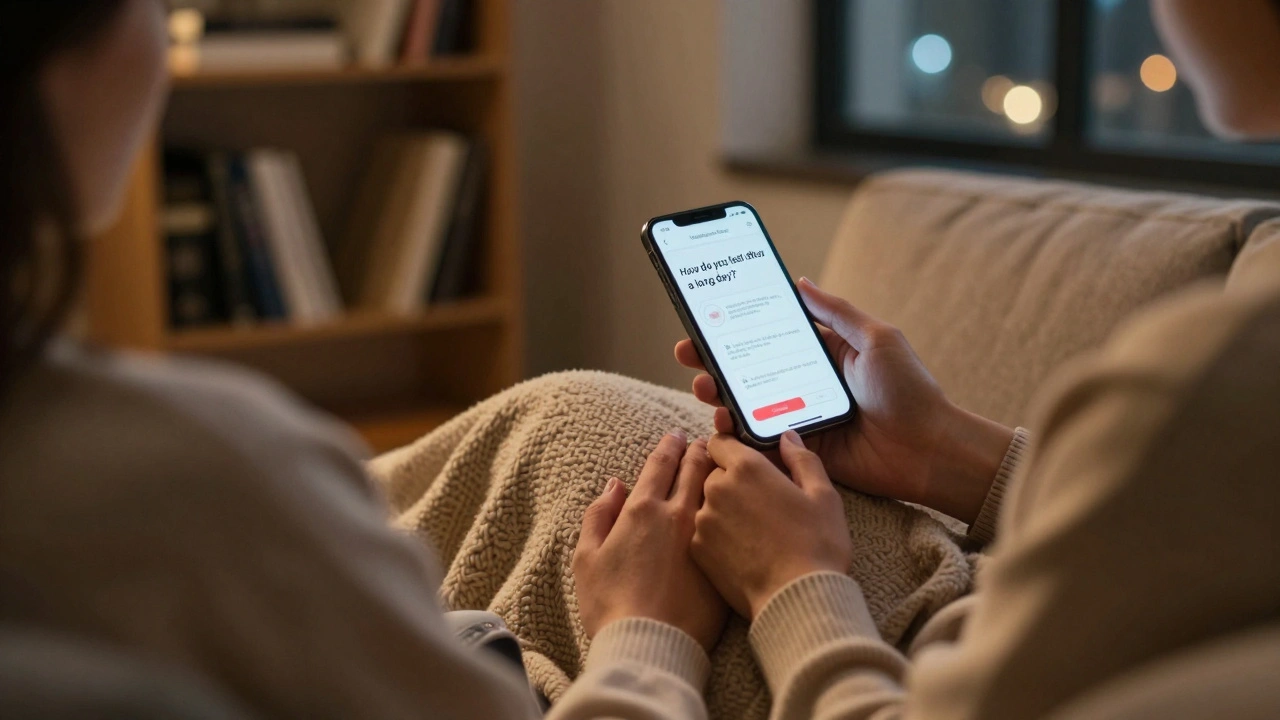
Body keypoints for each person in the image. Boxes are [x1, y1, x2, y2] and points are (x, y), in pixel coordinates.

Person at [3, 0, 1278, 719]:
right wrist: (952, 452)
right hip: (724, 565)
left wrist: (772, 596)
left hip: (829, 608)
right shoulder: (205, 474)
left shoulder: (1209, 382)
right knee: (481, 463)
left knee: (454, 480)